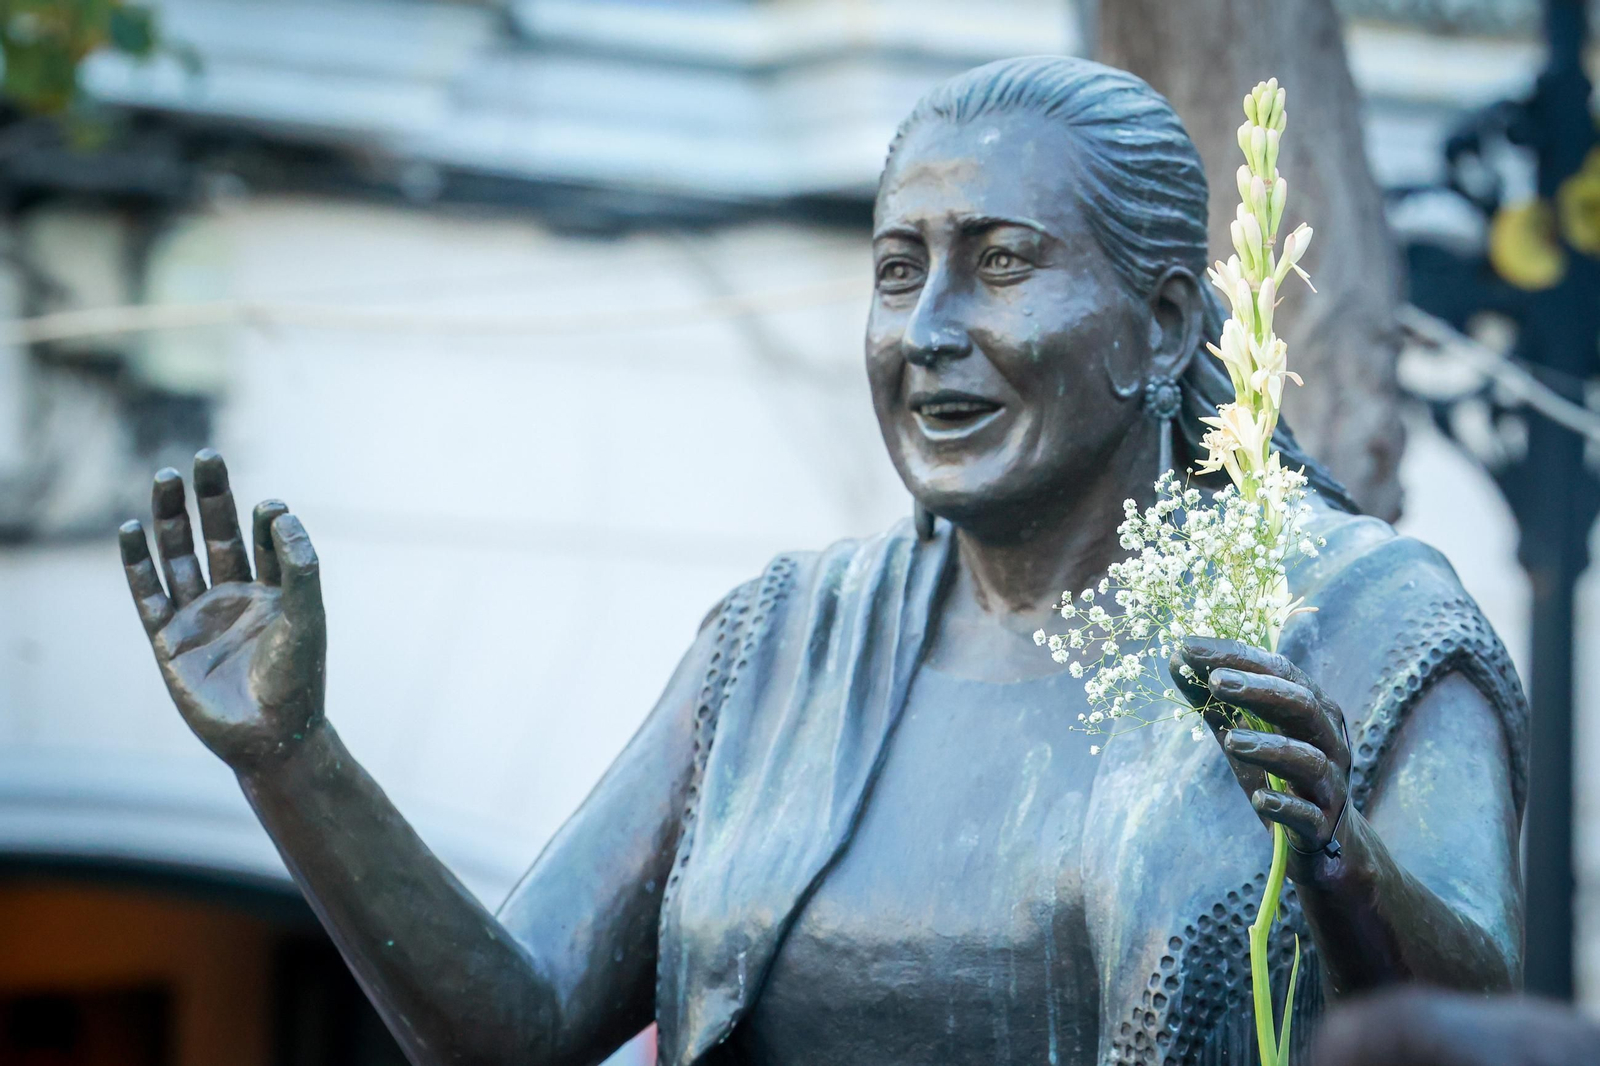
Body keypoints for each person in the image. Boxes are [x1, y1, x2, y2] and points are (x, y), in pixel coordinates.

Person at [117, 57, 1526, 1065]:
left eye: (1000, 261)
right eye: (899, 270)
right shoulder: (781, 647)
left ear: (1162, 324)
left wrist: (1348, 869)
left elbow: (1482, 1028)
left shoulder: (1355, 617)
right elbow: (516, 1022)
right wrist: (292, 759)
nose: (928, 331)